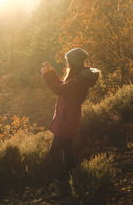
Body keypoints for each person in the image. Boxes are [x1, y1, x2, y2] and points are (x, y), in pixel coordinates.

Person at [41, 48, 100, 195]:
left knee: (54, 153)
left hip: (67, 119)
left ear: (73, 62)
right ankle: (73, 179)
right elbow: (63, 87)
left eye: (68, 60)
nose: (66, 63)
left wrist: (47, 74)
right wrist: (52, 72)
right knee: (67, 150)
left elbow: (58, 89)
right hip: (69, 117)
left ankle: (62, 184)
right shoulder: (77, 77)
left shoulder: (77, 80)